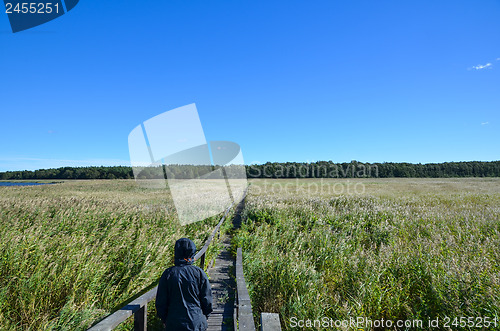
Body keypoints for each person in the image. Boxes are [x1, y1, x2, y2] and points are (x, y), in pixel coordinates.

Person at [155, 238, 213, 330]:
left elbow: (161, 302)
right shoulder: (199, 273)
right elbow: (207, 299)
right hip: (196, 321)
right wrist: (204, 316)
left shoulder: (168, 273)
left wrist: (165, 319)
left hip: (174, 322)